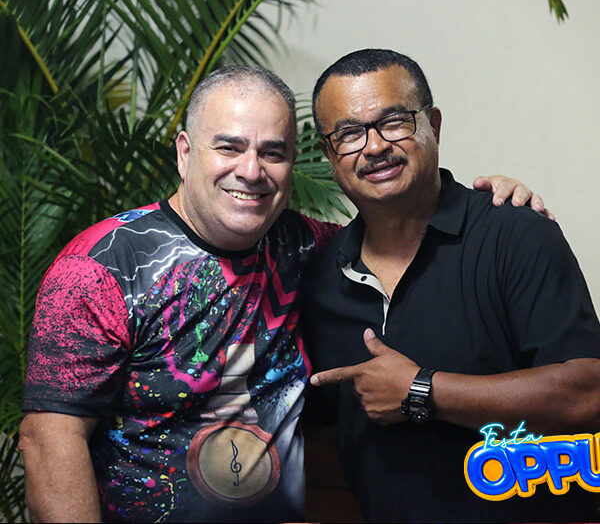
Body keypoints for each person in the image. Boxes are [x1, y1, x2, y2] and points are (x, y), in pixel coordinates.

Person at [19, 63, 540, 523]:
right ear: (185, 152)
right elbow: (50, 439)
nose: (251, 171)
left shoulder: (308, 248)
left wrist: (488, 203)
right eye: (229, 147)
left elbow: (401, 237)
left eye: (273, 152)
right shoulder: (101, 267)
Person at [301, 49, 600, 523]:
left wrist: (423, 390)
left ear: (433, 125)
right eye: (349, 133)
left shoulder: (516, 234)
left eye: (394, 122)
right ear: (328, 153)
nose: (374, 147)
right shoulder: (319, 275)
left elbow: (588, 394)